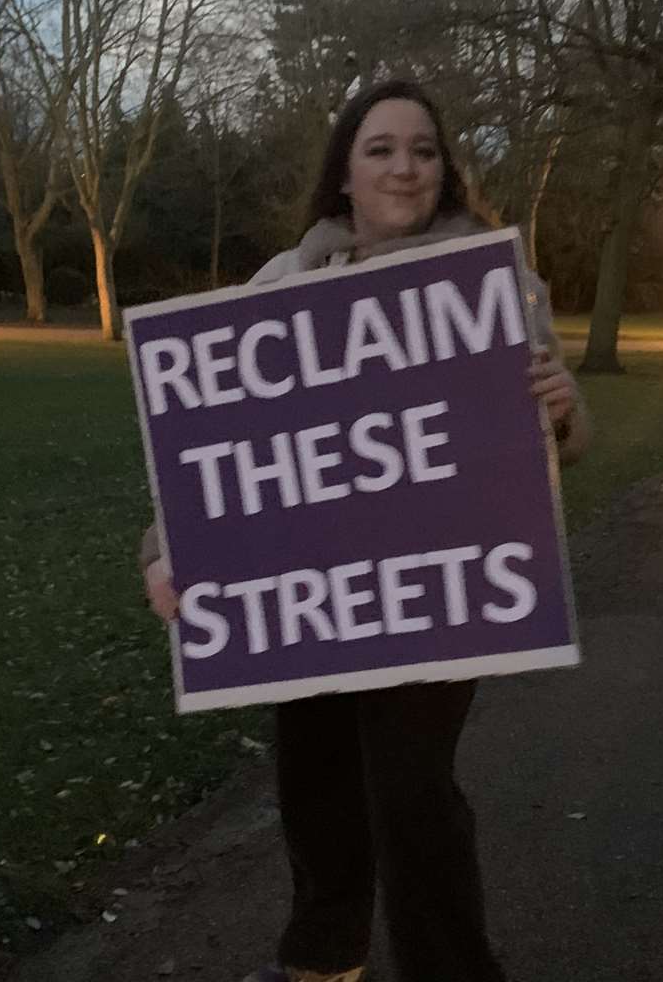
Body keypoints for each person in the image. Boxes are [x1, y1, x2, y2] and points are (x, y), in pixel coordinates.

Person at [140, 79, 591, 982]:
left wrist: (565, 407)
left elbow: (544, 448)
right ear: (345, 174)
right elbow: (222, 443)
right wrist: (165, 554)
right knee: (315, 785)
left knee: (412, 793)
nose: (405, 167)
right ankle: (321, 956)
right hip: (312, 586)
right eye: (381, 148)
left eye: (424, 150)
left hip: (436, 587)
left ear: (445, 169)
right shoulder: (285, 281)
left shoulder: (495, 283)